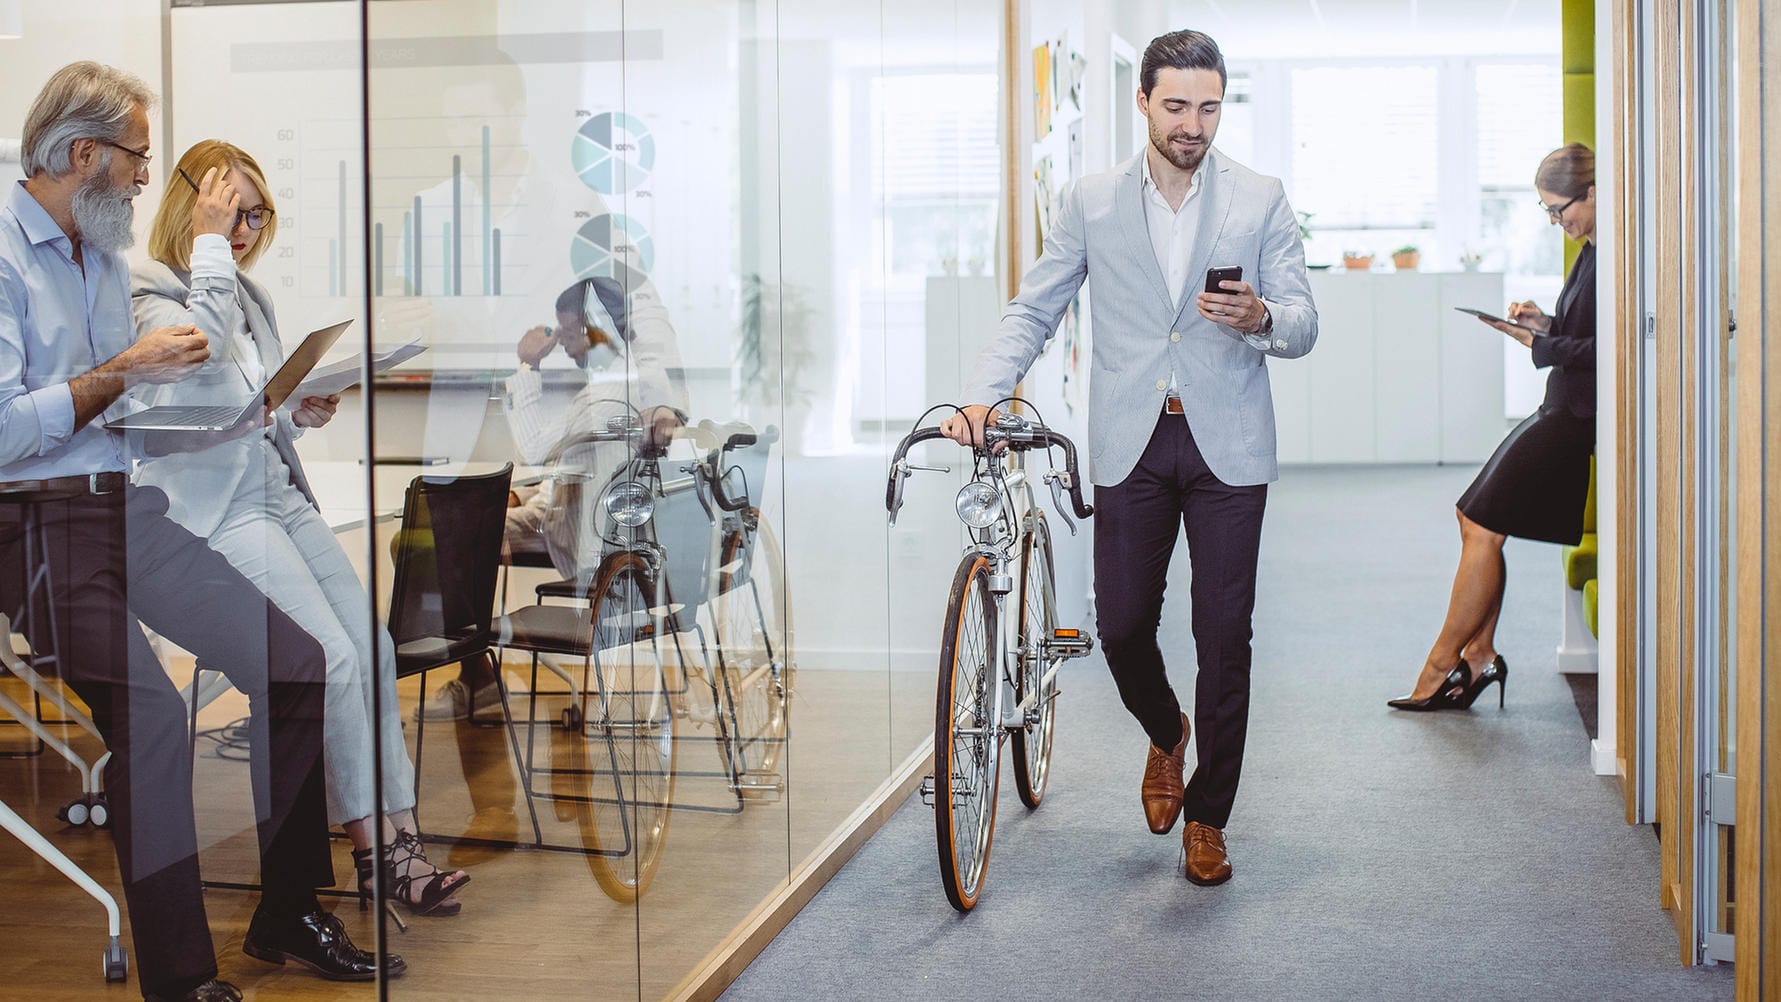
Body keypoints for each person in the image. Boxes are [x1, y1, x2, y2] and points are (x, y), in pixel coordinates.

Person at [0, 62, 396, 1002]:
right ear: (82, 152)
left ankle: (285, 909)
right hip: (30, 525)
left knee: (297, 664)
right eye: (136, 156)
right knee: (152, 718)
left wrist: (252, 412)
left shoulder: (96, 254)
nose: (147, 176)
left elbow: (140, 402)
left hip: (120, 504)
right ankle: (181, 982)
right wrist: (123, 371)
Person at [941, 29, 1316, 886]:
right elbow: (1033, 308)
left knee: (1224, 637)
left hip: (1228, 445)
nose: (1193, 124)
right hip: (1132, 442)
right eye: (1177, 105)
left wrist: (1261, 318)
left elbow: (1303, 322)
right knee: (1118, 628)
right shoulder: (1091, 202)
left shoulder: (1260, 198)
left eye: (1209, 107)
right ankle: (1166, 731)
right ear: (1141, 101)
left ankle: (1209, 817)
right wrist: (983, 392)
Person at [130, 139, 470, 917]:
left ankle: (405, 839)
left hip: (274, 490)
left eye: (255, 214)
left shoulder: (249, 294)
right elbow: (198, 369)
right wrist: (210, 248)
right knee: (332, 659)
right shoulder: (148, 287)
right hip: (214, 511)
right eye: (230, 212)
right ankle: (376, 856)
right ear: (192, 206)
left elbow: (248, 408)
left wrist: (299, 409)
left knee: (372, 645)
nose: (245, 228)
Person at [418, 276, 688, 723]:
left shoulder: (608, 394)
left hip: (577, 534)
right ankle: (476, 675)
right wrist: (524, 494)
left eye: (567, 333)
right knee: (447, 538)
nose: (564, 345)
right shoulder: (625, 388)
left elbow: (538, 448)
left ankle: (477, 676)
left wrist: (527, 367)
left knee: (441, 543)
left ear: (594, 330)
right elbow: (581, 465)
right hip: (565, 513)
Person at [1389, 143, 1598, 712]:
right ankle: (1478, 655)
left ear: (1594, 192)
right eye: (1548, 212)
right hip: (1560, 405)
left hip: (1575, 418)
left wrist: (1541, 343)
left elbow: (1616, 348)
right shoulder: (1591, 248)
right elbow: (1585, 330)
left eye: (1561, 209)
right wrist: (1544, 323)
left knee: (1482, 524)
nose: (1558, 221)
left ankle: (1442, 665)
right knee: (1474, 517)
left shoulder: (1617, 253)